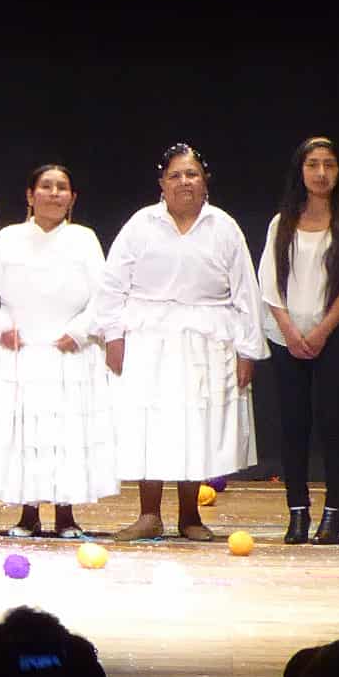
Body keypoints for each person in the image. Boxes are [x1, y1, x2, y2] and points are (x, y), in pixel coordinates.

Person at [96, 144, 266, 542]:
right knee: (149, 424)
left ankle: (190, 517)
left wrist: (248, 349)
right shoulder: (141, 224)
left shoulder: (224, 227)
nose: (184, 182)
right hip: (147, 337)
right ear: (161, 183)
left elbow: (246, 292)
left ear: (205, 181)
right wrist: (113, 336)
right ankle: (148, 515)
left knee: (198, 426)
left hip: (207, 337)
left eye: (191, 174)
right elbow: (111, 284)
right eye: (175, 175)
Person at [0, 164, 118, 538]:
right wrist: (2, 328)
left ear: (73, 198)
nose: (54, 194)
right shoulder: (9, 237)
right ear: (29, 195)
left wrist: (80, 332)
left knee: (65, 434)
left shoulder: (84, 239)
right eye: (46, 186)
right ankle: (28, 515)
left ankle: (66, 516)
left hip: (67, 349)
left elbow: (104, 296)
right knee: (24, 436)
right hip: (20, 350)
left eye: (62, 188)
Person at [258, 138, 339, 544]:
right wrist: (290, 332)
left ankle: (334, 514)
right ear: (300, 171)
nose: (321, 173)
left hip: (337, 335)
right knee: (293, 426)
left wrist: (322, 331)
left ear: (338, 172)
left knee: (333, 423)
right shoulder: (281, 222)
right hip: (289, 340)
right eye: (313, 165)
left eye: (329, 165)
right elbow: (268, 284)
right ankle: (298, 512)